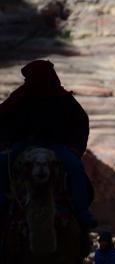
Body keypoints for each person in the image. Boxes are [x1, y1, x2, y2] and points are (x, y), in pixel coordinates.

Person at [0, 60, 96, 228]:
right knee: (1, 164)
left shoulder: (63, 99)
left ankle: (81, 210)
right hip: (24, 144)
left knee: (75, 166)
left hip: (55, 145)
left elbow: (80, 123)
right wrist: (6, 142)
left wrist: (75, 148)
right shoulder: (20, 97)